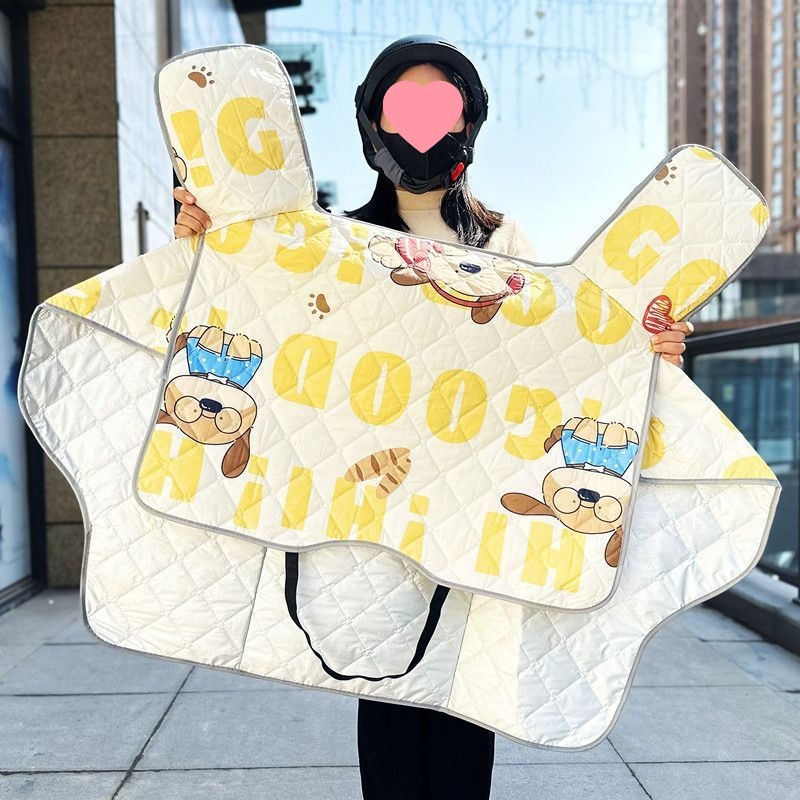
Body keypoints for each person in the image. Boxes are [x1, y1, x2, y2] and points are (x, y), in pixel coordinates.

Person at [172, 34, 693, 800]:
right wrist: (200, 256)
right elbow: (265, 335)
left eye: (442, 104)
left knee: (461, 720)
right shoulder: (333, 240)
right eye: (403, 104)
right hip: (372, 511)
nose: (422, 125)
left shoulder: (508, 242)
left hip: (476, 517)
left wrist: (650, 353)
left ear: (469, 122)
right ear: (372, 121)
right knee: (385, 702)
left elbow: (569, 356)